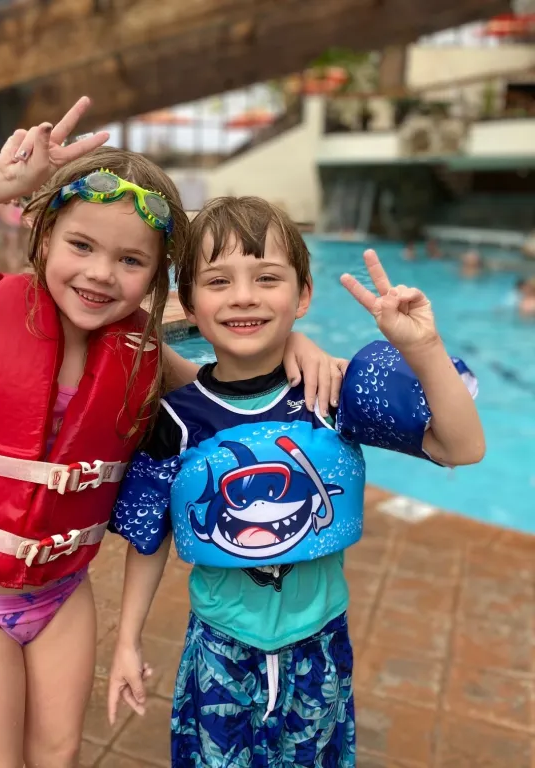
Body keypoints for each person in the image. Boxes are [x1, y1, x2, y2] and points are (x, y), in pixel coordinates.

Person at [0, 100, 343, 768]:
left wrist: (297, 344)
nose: (101, 273)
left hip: (60, 597)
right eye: (81, 246)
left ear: (157, 278)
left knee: (60, 754)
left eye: (130, 260)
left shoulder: (141, 354)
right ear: (45, 236)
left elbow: (229, 380)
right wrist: (0, 180)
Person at [106, 197, 485, 767]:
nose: (244, 296)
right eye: (218, 281)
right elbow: (149, 538)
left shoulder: (333, 395)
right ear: (190, 301)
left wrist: (422, 348)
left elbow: (462, 447)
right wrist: (127, 640)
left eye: (267, 278)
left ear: (303, 295)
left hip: (320, 646)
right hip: (219, 648)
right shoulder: (175, 420)